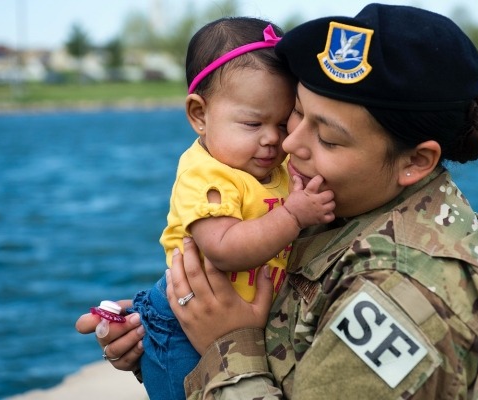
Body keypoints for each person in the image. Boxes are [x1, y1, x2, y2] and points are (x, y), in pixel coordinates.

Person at [77, 4, 478, 399]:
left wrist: (225, 346)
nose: (289, 142)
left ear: (415, 161)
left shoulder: (406, 299)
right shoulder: (347, 201)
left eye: (328, 137)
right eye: (297, 113)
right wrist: (168, 324)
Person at [95, 16, 335, 400]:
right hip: (183, 322)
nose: (273, 139)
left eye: (284, 123)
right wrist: (293, 214)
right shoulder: (207, 173)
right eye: (253, 123)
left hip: (234, 316)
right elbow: (223, 249)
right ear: (199, 115)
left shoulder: (277, 165)